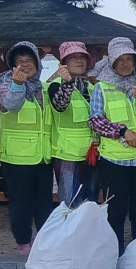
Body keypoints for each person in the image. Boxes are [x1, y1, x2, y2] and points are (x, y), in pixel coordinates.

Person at [88, 37, 136, 256]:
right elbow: (95, 120)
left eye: (129, 59)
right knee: (116, 211)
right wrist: (122, 131)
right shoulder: (102, 87)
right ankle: (116, 254)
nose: (125, 64)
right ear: (111, 61)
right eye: (120, 59)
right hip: (114, 161)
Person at [0, 41, 54, 256]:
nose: (25, 64)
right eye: (19, 61)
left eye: (29, 60)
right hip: (17, 158)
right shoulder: (6, 85)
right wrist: (19, 85)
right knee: (21, 204)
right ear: (12, 66)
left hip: (43, 156)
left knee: (44, 204)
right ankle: (23, 243)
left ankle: (44, 242)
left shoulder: (42, 88)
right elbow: (12, 105)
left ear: (37, 63)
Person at [48, 41, 97, 206]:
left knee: (91, 201)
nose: (79, 61)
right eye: (73, 57)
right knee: (70, 202)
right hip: (67, 155)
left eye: (82, 57)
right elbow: (60, 105)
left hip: (92, 152)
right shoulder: (54, 85)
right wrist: (67, 82)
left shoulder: (91, 86)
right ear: (63, 63)